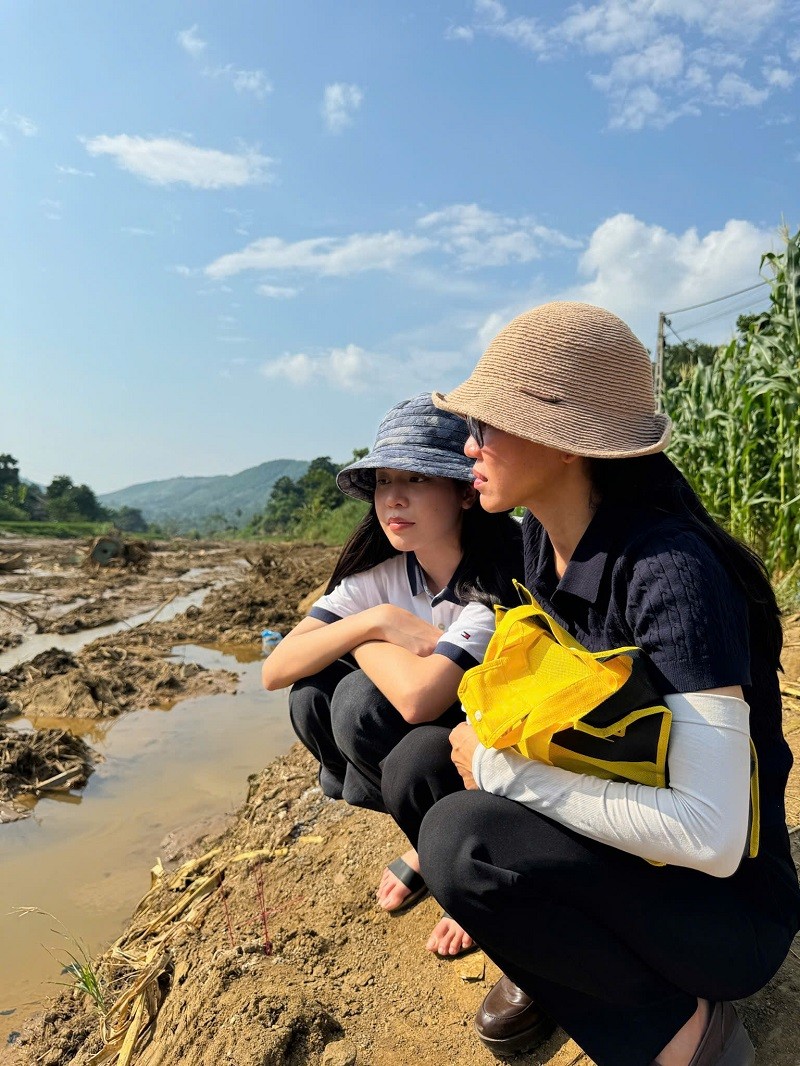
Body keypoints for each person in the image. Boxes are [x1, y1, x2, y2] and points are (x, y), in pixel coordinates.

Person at [380, 302, 800, 1066]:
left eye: (490, 424)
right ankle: (553, 960)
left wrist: (506, 775)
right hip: (635, 841)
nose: (470, 444)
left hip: (724, 907)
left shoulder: (672, 575)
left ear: (565, 441)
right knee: (417, 767)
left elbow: (710, 834)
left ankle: (683, 1034)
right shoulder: (544, 539)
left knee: (461, 836)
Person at [262, 392, 522, 956]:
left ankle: (465, 859)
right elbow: (275, 668)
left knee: (359, 703)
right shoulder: (381, 580)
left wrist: (358, 636)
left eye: (417, 479)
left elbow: (418, 700)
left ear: (463, 491)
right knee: (311, 695)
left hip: (498, 741)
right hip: (435, 723)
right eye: (383, 481)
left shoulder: (495, 582)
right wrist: (375, 623)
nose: (394, 498)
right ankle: (428, 840)